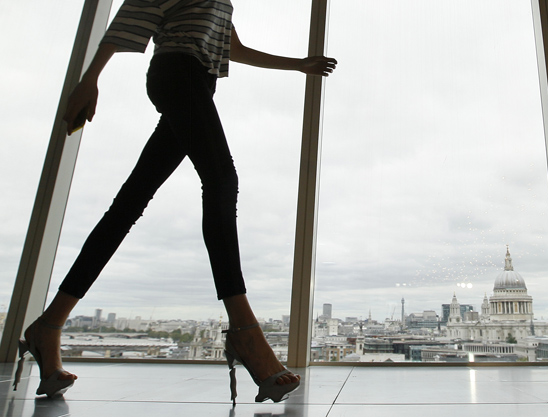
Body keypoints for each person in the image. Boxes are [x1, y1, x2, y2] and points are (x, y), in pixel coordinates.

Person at [13, 0, 336, 403]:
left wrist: (298, 65)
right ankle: (244, 330)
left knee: (130, 204)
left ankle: (49, 324)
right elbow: (125, 25)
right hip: (176, 74)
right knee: (221, 180)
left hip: (195, 82)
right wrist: (89, 79)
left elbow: (232, 47)